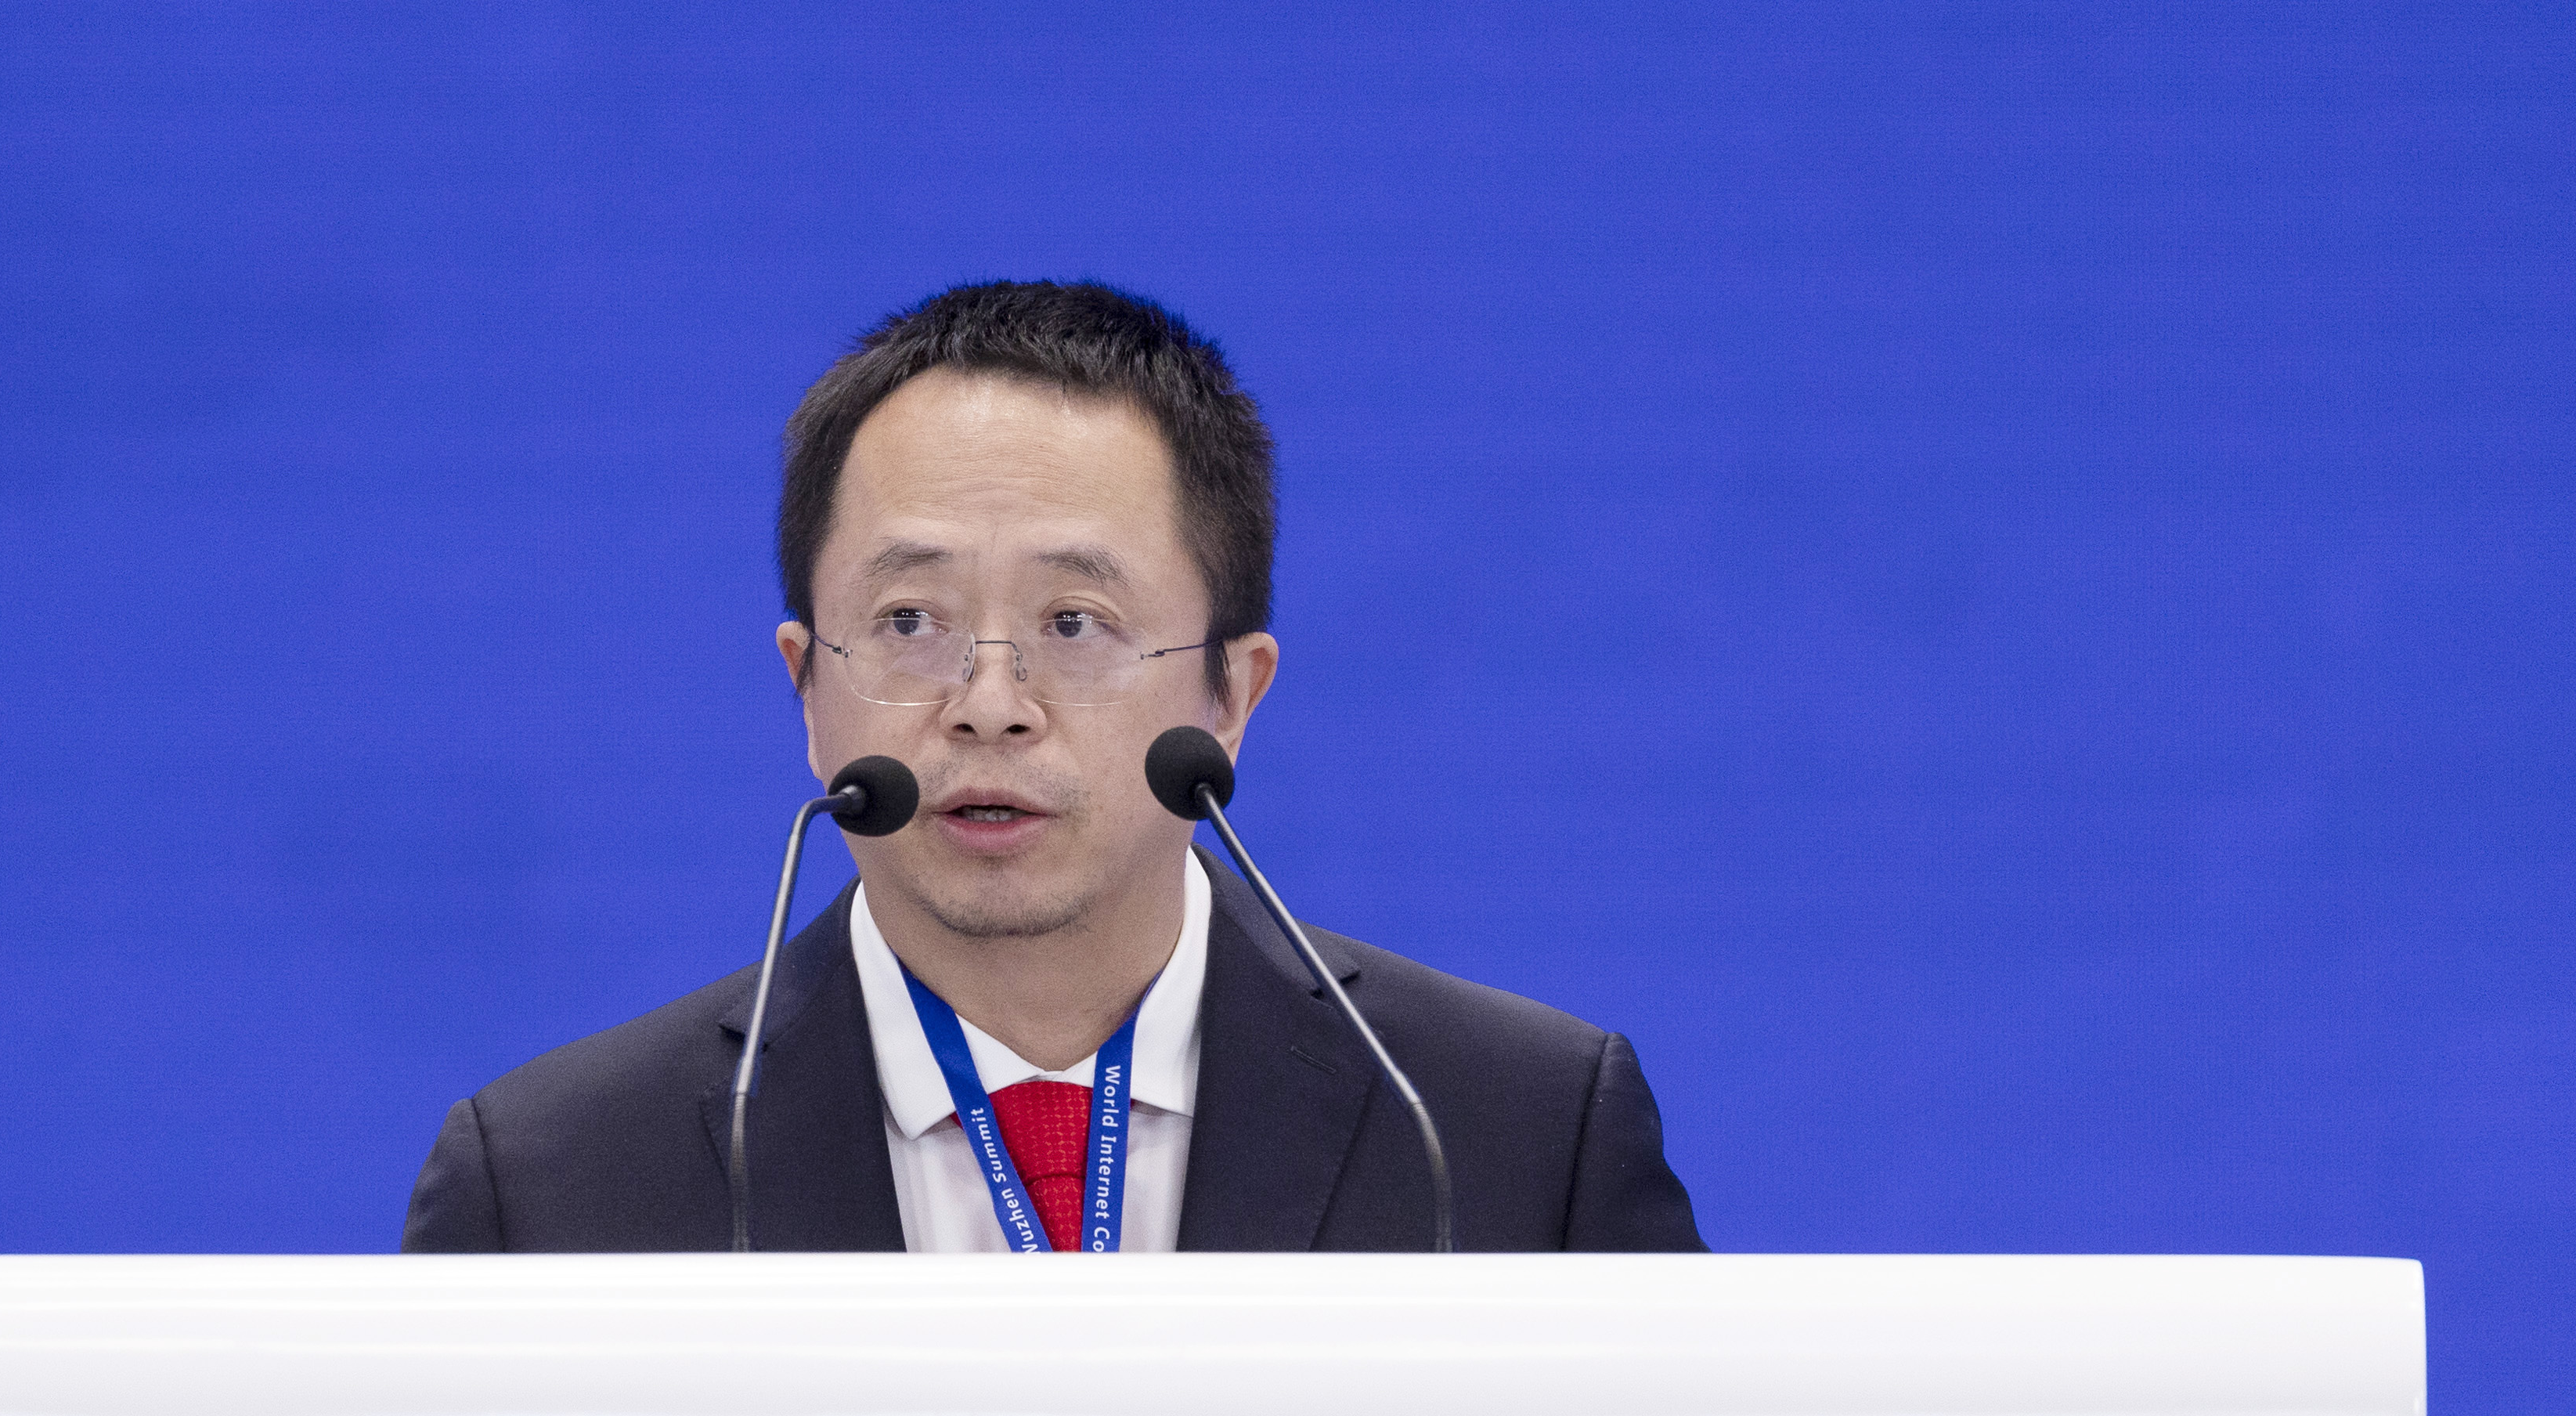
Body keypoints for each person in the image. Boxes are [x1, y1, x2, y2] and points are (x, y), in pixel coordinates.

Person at [402, 280, 1701, 1255]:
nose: (989, 707)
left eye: (1076, 624)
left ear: (1233, 694)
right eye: (909, 621)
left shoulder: (1511, 1136)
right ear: (806, 685)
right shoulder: (554, 1189)